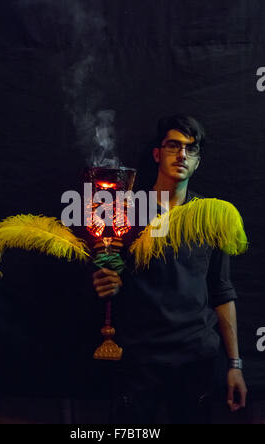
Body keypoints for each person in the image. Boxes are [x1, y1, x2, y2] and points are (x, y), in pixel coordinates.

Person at [92, 115, 248, 424]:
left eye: (191, 149)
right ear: (157, 154)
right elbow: (109, 276)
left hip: (197, 358)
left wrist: (235, 365)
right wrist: (105, 282)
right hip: (140, 359)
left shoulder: (210, 217)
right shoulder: (126, 213)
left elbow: (221, 291)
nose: (182, 155)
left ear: (198, 161)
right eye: (173, 146)